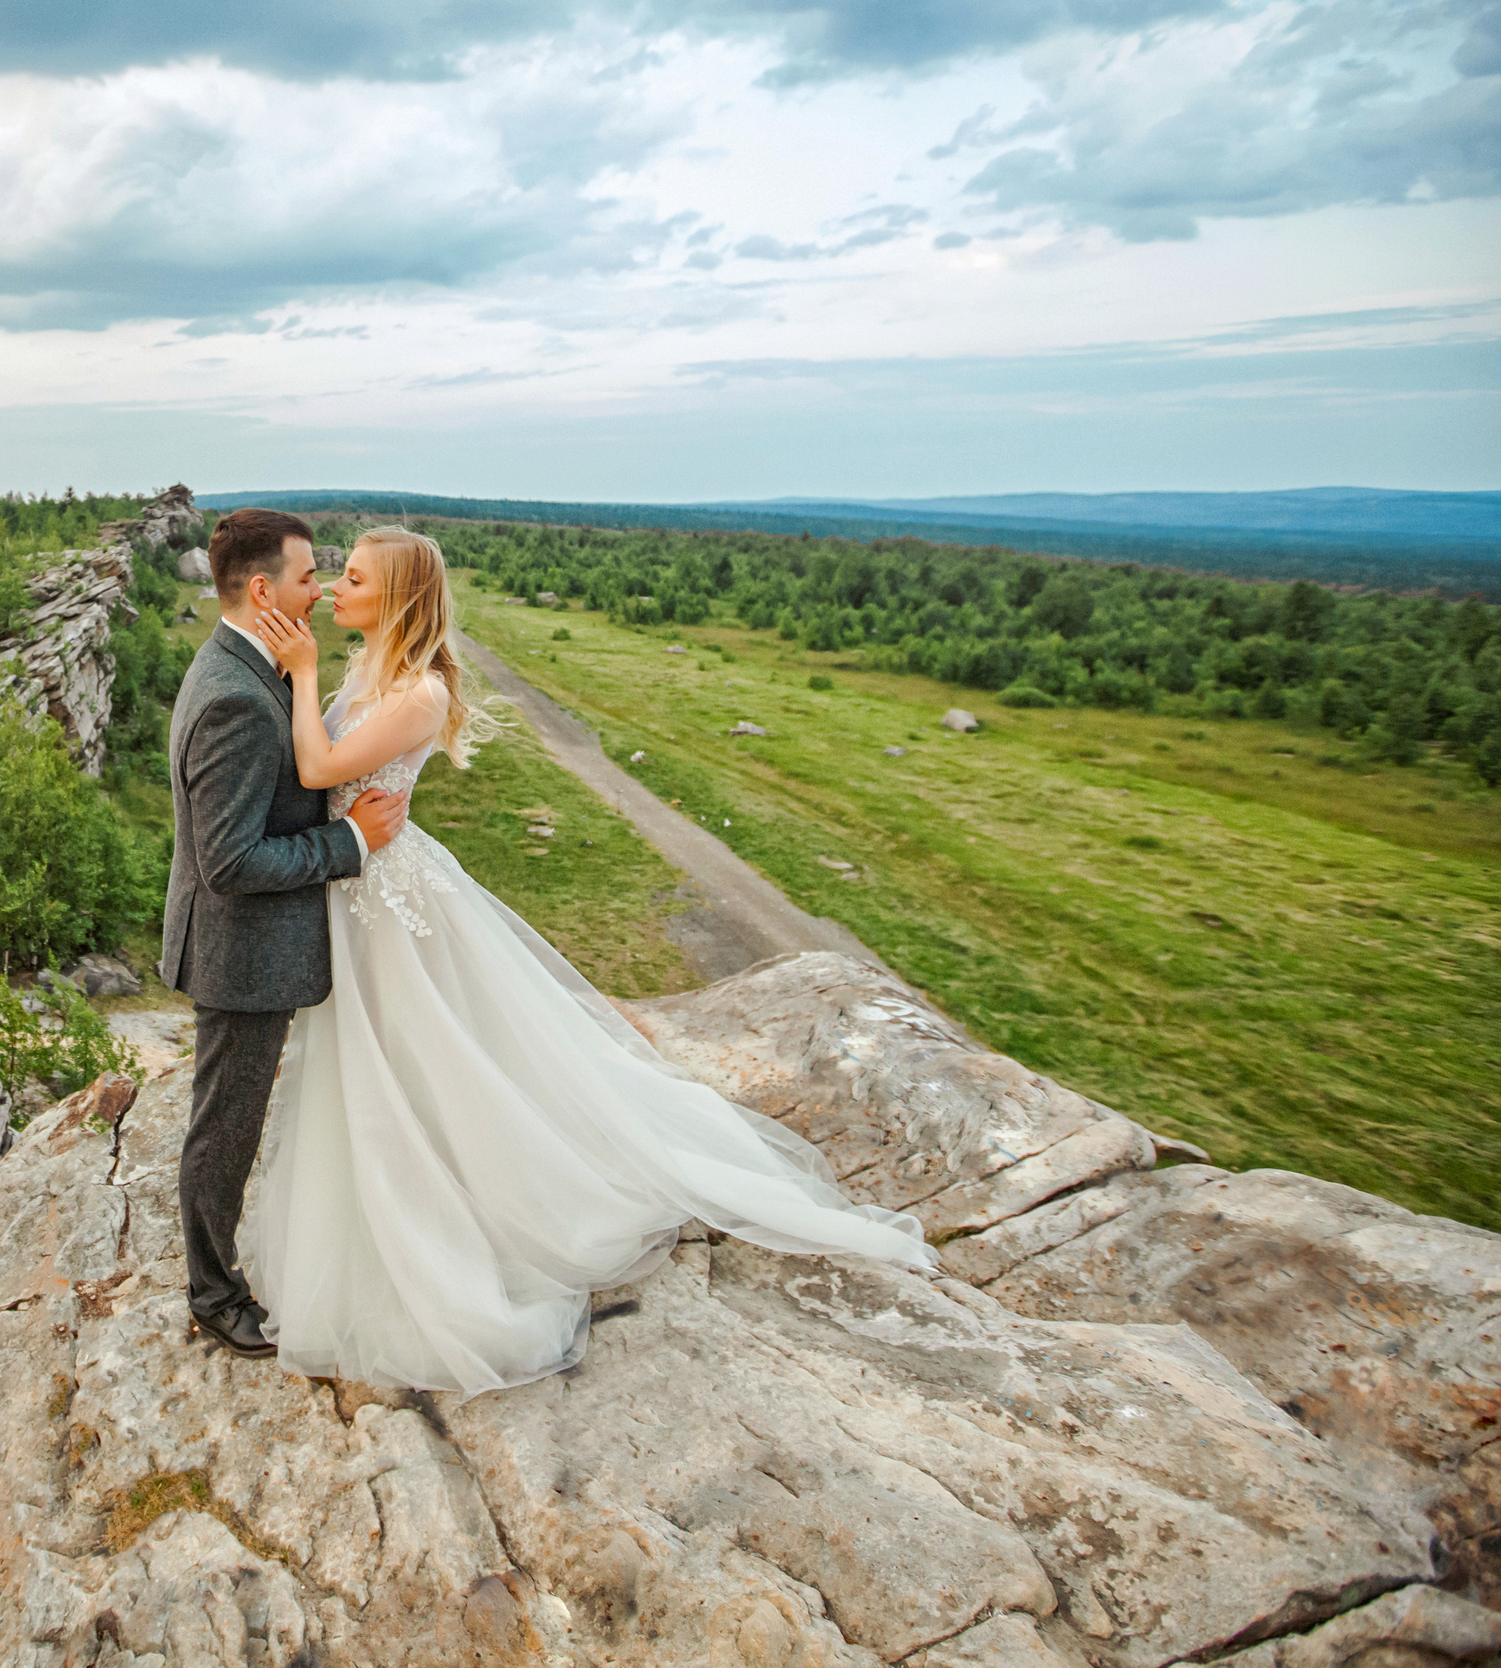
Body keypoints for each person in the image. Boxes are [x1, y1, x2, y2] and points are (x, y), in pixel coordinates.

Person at [235, 526, 938, 1396]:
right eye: (336, 573)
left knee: (412, 1066)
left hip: (385, 902)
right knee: (372, 1067)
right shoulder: (366, 670)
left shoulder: (415, 691)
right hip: (358, 885)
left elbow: (318, 763)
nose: (337, 587)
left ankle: (449, 1224)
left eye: (355, 577)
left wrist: (298, 673)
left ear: (400, 598)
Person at [159, 508, 410, 1360]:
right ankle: (212, 1291)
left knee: (234, 1114)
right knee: (225, 1123)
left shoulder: (248, 661)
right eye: (311, 577)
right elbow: (228, 861)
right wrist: (350, 843)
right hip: (241, 951)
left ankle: (222, 1272)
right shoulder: (234, 695)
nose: (322, 588)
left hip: (255, 944)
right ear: (263, 589)